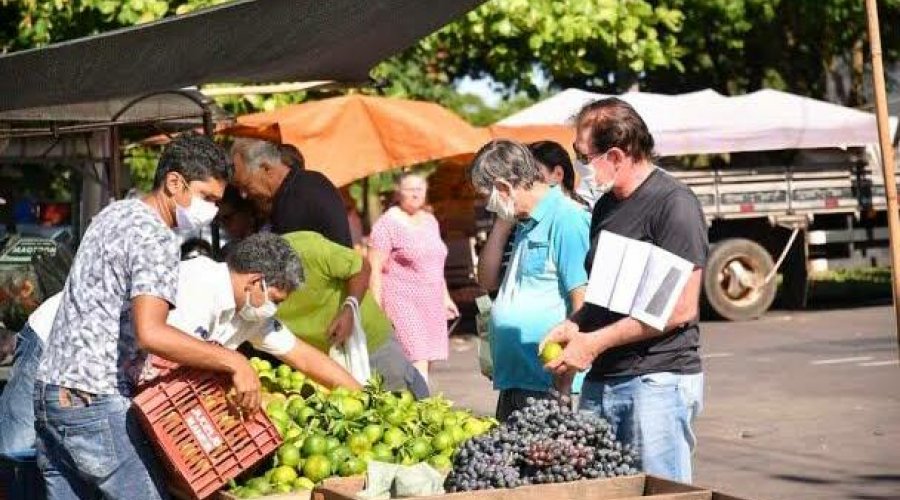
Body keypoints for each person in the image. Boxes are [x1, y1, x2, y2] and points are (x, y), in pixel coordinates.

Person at [32, 133, 259, 499]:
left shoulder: (116, 213)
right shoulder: (157, 238)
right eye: (207, 198)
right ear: (174, 182)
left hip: (51, 393)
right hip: (95, 397)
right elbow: (152, 332)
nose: (213, 211)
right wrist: (234, 361)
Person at [0, 233, 361, 456]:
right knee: (18, 445)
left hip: (105, 370)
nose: (275, 308)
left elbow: (301, 355)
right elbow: (159, 340)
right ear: (255, 281)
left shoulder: (249, 313)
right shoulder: (196, 283)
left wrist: (361, 396)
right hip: (57, 339)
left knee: (59, 460)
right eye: (276, 298)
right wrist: (235, 363)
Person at [542, 98, 708, 483]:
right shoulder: (606, 207)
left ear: (616, 155)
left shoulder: (673, 205)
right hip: (605, 378)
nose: (578, 165)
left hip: (655, 383)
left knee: (658, 491)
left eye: (583, 156)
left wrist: (594, 343)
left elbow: (680, 308)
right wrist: (575, 325)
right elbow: (605, 294)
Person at [469, 140, 590, 421]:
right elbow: (489, 281)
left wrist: (565, 378)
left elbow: (582, 302)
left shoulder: (567, 219)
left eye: (488, 195)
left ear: (504, 187)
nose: (490, 204)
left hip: (548, 383)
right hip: (518, 378)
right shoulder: (525, 220)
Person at [276, 231, 429, 398]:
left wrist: (350, 308)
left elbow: (360, 266)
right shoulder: (247, 293)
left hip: (370, 341)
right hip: (325, 359)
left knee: (401, 398)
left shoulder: (306, 248)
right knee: (361, 409)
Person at [368, 173, 459, 385]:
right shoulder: (387, 224)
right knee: (417, 355)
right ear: (398, 192)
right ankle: (424, 408)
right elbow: (374, 269)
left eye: (420, 188)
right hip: (402, 300)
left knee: (427, 358)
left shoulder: (430, 221)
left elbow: (435, 264)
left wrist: (446, 298)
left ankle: (418, 402)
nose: (416, 193)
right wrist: (376, 307)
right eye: (410, 189)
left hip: (431, 300)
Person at [231, 138, 352, 247]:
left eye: (246, 185)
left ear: (266, 168)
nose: (243, 195)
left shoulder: (294, 199)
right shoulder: (306, 182)